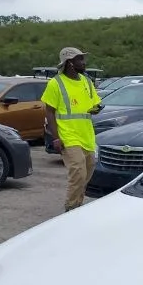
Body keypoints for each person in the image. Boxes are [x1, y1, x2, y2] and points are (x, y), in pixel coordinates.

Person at [41, 47, 103, 212]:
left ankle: (78, 206)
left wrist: (96, 108)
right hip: (68, 135)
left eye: (83, 59)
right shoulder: (56, 83)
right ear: (69, 63)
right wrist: (55, 137)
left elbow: (93, 103)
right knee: (78, 172)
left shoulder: (87, 81)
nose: (83, 63)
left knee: (87, 172)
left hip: (87, 135)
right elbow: (49, 111)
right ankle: (70, 207)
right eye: (79, 59)